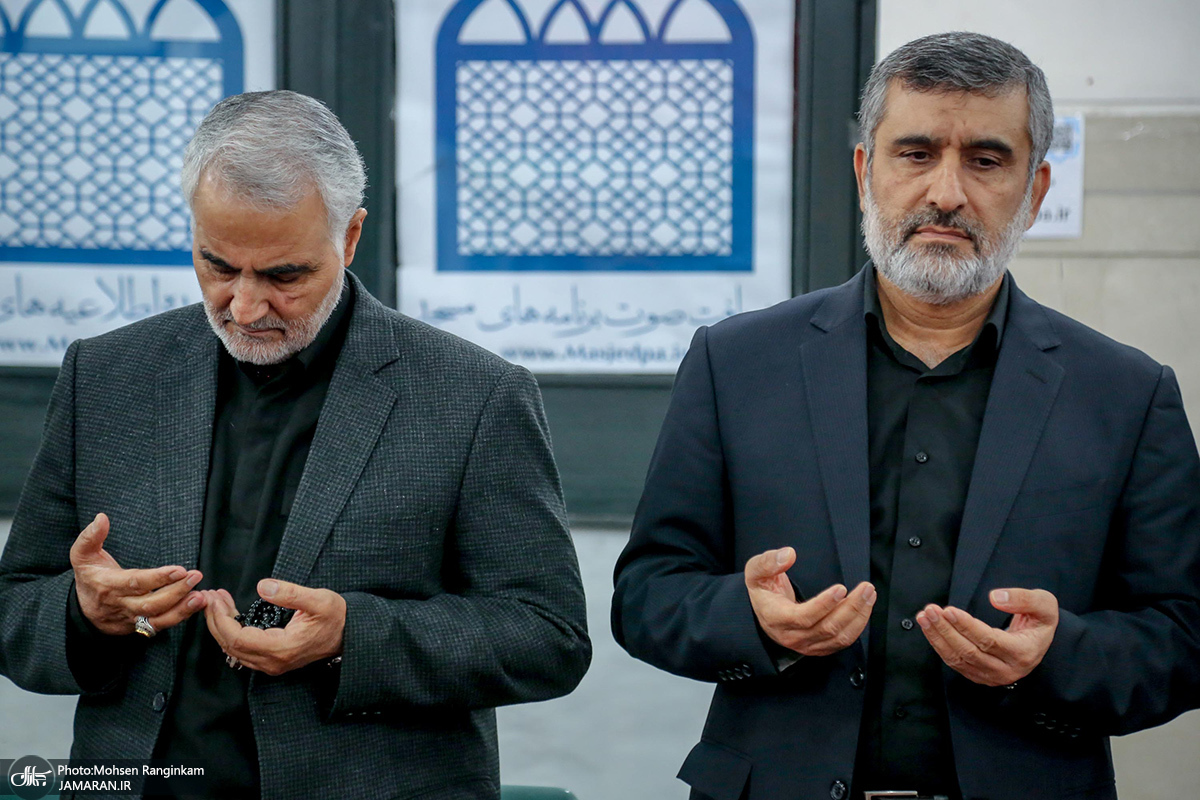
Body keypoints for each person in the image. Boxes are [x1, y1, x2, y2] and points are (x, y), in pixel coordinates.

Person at [612, 31, 1200, 800]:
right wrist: (750, 620)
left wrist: (1060, 655)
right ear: (866, 172)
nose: (946, 193)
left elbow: (1184, 636)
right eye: (915, 153)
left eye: (986, 161)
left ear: (1036, 190)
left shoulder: (1125, 393)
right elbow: (648, 594)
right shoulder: (736, 363)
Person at [0, 90, 591, 800]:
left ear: (350, 237)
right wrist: (83, 614)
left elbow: (548, 636)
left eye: (284, 276)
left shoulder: (475, 395)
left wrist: (352, 637)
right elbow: (13, 610)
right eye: (218, 266)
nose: (245, 307)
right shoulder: (105, 375)